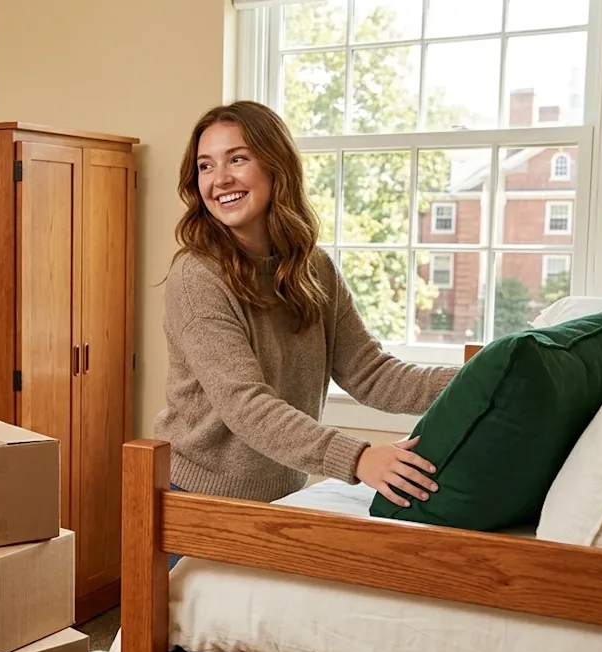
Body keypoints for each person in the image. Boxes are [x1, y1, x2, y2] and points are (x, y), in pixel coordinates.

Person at [156, 100, 459, 528]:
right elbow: (245, 405)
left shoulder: (313, 268)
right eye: (205, 166)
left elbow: (371, 374)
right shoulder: (197, 276)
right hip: (195, 499)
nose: (219, 179)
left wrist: (477, 379)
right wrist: (359, 458)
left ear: (275, 166)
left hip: (282, 497)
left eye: (237, 159)